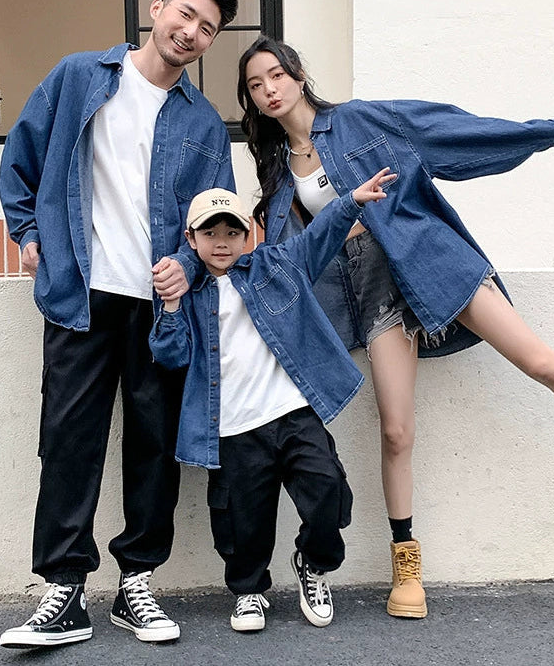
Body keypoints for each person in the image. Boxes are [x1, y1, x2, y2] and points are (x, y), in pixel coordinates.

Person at [235, 34, 554, 620]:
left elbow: (448, 132)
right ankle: (406, 563)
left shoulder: (363, 121)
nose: (268, 90)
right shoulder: (273, 169)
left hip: (431, 261)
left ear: (297, 75)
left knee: (539, 361)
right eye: (254, 85)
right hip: (373, 296)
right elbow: (292, 257)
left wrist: (544, 132)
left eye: (275, 75)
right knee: (396, 432)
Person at [0, 0, 238, 649]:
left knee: (154, 447)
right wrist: (27, 232)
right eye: (185, 15)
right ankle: (64, 591)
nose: (190, 33)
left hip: (159, 313)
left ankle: (137, 584)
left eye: (207, 29)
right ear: (157, 8)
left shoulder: (202, 123)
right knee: (68, 441)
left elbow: (220, 218)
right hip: (80, 298)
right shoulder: (80, 77)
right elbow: (21, 157)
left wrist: (187, 265)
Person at [149, 170, 395, 632]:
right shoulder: (189, 291)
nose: (221, 242)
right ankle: (248, 593)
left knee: (327, 492)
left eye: (232, 231)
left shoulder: (277, 264)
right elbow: (170, 355)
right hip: (234, 429)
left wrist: (352, 202)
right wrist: (170, 306)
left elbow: (320, 236)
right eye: (210, 232)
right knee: (244, 522)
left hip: (293, 413)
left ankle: (313, 563)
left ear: (248, 234)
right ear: (191, 238)